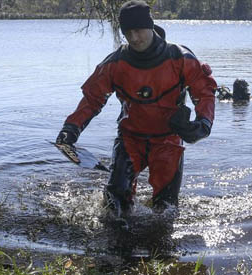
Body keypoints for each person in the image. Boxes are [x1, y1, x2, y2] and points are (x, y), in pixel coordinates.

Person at [56, 0, 217, 217]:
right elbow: (92, 99)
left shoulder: (180, 58)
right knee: (115, 204)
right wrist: (71, 129)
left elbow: (204, 92)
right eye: (127, 32)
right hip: (130, 138)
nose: (133, 38)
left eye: (138, 31)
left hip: (168, 140)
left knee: (166, 210)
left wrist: (202, 125)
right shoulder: (114, 64)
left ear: (150, 26)